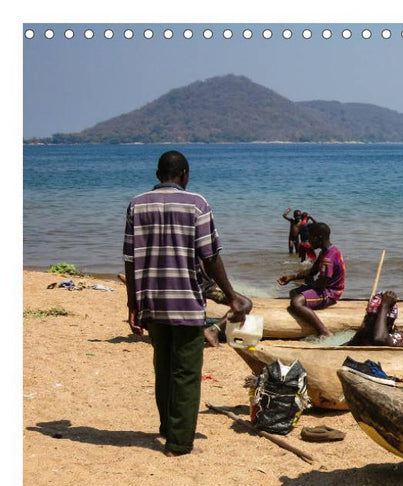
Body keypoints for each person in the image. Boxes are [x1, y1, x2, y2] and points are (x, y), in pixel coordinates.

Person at [124, 150, 252, 456]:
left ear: (158, 174)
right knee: (186, 371)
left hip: (152, 301)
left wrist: (132, 303)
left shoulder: (137, 205)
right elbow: (210, 256)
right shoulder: (197, 204)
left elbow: (130, 259)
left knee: (163, 366)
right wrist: (232, 296)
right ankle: (179, 443)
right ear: (184, 174)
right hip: (186, 302)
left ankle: (168, 427)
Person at [277, 222, 344, 338]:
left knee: (296, 303)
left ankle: (324, 331)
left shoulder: (329, 257)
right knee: (294, 293)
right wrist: (292, 277)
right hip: (324, 287)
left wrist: (310, 284)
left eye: (310, 237)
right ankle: (308, 312)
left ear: (319, 238)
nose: (308, 241)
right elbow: (312, 271)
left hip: (331, 292)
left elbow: (324, 282)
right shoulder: (326, 251)